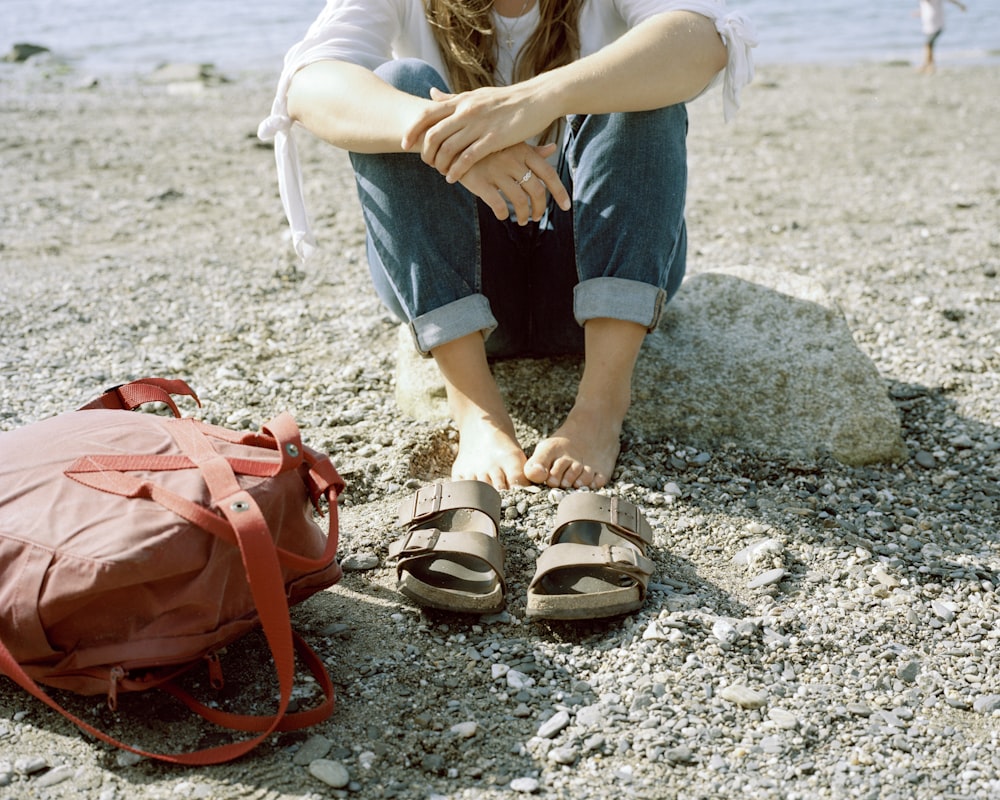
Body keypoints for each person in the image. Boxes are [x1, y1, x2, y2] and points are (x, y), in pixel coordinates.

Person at [259, 0, 756, 492]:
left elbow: (703, 38)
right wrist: (455, 143)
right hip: (458, 276)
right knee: (398, 85)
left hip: (594, 261)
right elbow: (309, 83)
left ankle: (601, 407)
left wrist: (539, 99)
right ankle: (477, 412)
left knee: (642, 74)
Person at [918, 0, 967, 73]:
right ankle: (928, 65)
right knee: (929, 45)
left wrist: (960, 5)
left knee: (928, 44)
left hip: (936, 24)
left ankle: (930, 66)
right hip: (929, 25)